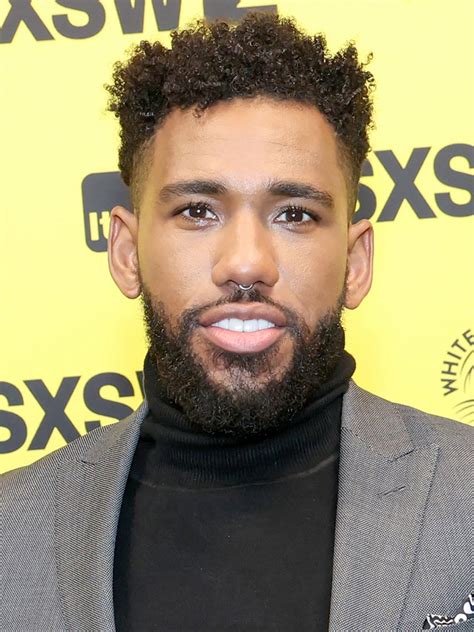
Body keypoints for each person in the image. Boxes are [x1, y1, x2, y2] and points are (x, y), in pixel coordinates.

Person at [1, 13, 472, 632]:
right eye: (198, 210)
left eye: (295, 214)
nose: (247, 263)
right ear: (126, 252)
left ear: (356, 262)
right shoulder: (13, 529)